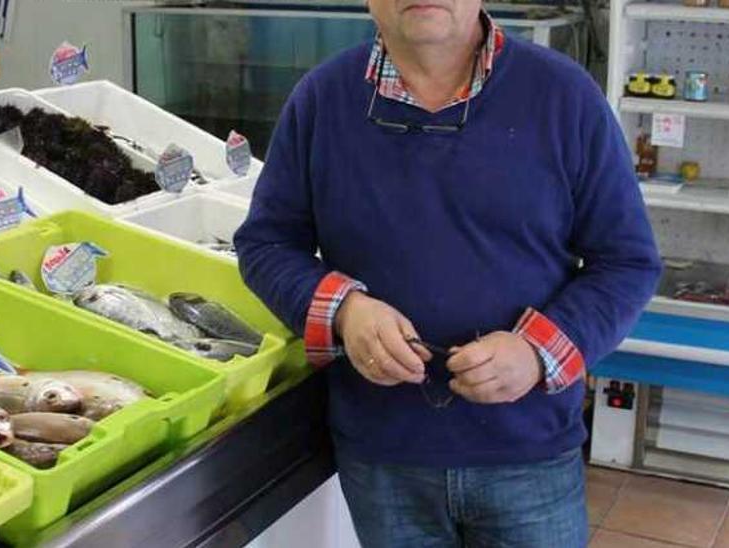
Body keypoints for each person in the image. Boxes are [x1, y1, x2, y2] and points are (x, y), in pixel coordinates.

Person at [234, 0, 662, 545]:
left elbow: (627, 261)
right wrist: (345, 310)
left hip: (529, 451)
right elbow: (266, 243)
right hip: (383, 453)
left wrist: (537, 353)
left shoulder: (564, 96)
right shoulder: (322, 99)